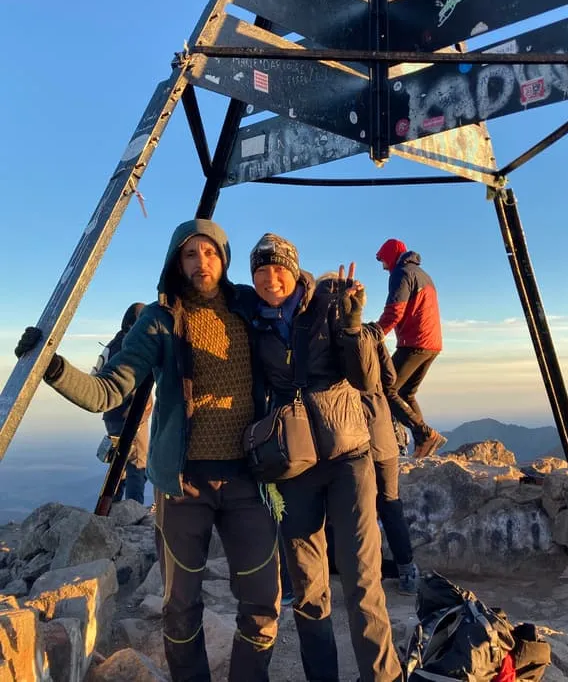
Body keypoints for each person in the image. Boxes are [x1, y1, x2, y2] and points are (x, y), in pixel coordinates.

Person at [15, 219, 280, 682]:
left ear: (224, 256)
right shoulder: (159, 322)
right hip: (182, 487)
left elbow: (291, 306)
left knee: (262, 599)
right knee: (180, 607)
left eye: (211, 252)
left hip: (247, 480)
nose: (202, 262)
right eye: (191, 254)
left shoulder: (247, 308)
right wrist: (52, 368)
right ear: (176, 261)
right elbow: (107, 391)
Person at [249, 233, 402, 682]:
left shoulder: (329, 304)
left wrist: (354, 326)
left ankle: (382, 677)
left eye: (278, 268)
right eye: (261, 270)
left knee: (361, 580)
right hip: (293, 465)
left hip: (348, 457)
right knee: (308, 588)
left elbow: (364, 379)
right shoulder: (253, 322)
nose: (270, 278)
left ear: (294, 270)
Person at [316, 274, 418, 597]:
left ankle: (359, 569)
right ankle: (407, 570)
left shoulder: (323, 337)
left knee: (351, 511)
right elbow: (389, 380)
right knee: (390, 503)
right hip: (383, 432)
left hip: (349, 436)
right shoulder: (373, 333)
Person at [376, 238, 446, 458]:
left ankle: (425, 435)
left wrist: (374, 334)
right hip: (432, 344)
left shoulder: (401, 273)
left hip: (415, 342)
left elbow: (395, 310)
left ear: (390, 256)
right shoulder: (422, 275)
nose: (383, 266)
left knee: (385, 390)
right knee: (407, 392)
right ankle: (423, 447)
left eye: (383, 261)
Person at [92, 301, 152, 504]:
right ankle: (132, 512)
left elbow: (95, 377)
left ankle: (112, 508)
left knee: (119, 463)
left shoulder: (111, 346)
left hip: (111, 415)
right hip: (132, 415)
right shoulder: (132, 346)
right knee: (137, 464)